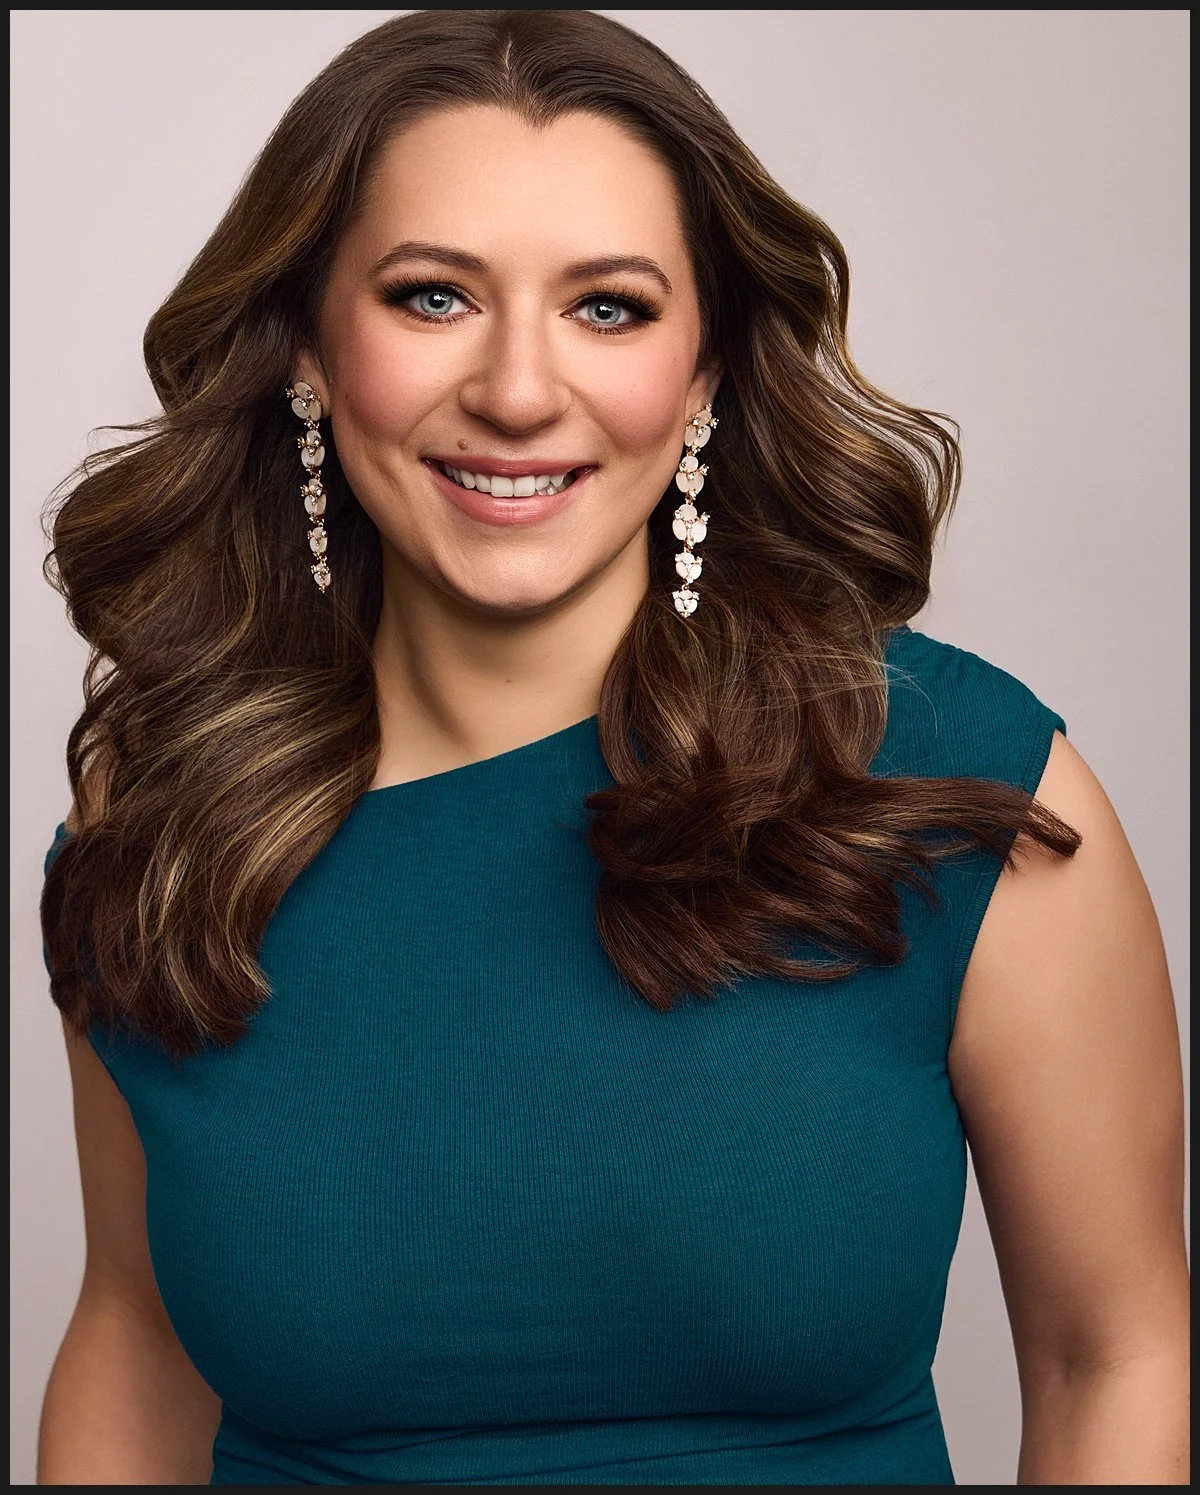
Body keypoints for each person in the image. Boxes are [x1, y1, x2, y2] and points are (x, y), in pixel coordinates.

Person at [37, 9, 1188, 1487]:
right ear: (309, 357)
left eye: (610, 308)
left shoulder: (952, 793)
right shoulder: (169, 820)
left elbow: (1120, 1352)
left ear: (706, 373)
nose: (521, 390)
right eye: (434, 296)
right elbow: (134, 1345)